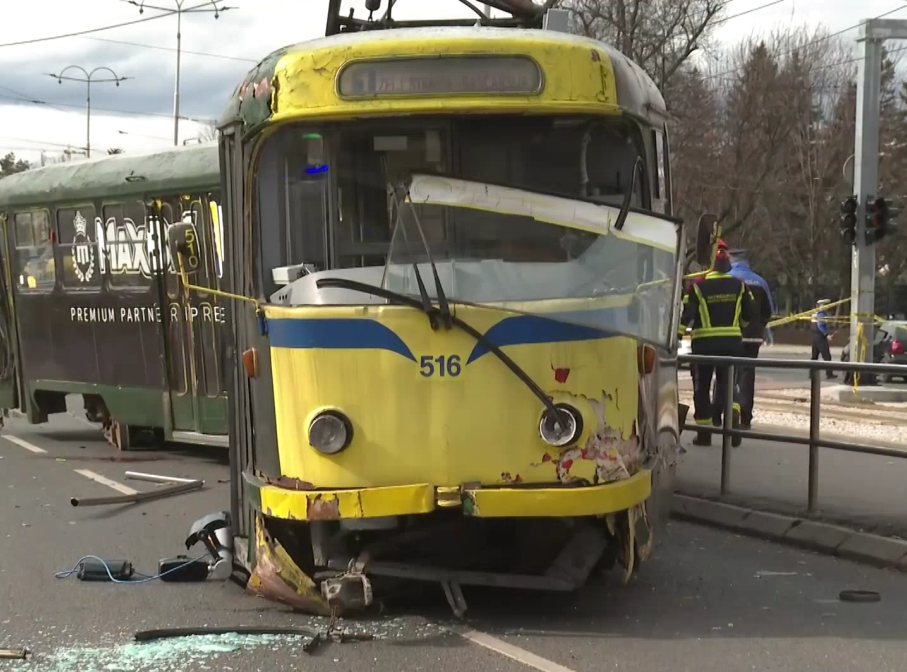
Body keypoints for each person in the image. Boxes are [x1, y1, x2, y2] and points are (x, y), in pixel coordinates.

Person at [681, 246, 755, 447]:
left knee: (702, 387)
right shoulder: (739, 285)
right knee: (728, 383)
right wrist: (739, 326)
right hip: (732, 343)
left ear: (709, 264)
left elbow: (687, 315)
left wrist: (677, 336)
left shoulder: (697, 286)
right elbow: (749, 314)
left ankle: (704, 435)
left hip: (704, 345)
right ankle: (733, 413)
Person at [728, 249, 774, 430]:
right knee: (747, 375)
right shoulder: (760, 281)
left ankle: (726, 412)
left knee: (728, 374)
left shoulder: (728, 278)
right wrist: (759, 326)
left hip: (731, 334)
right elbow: (768, 311)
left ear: (732, 259)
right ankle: (745, 417)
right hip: (753, 337)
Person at [811, 299, 838, 380]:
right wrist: (826, 335)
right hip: (820, 337)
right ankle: (829, 374)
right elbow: (820, 325)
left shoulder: (814, 313)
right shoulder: (822, 313)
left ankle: (811, 374)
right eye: (826, 305)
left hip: (814, 336)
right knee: (827, 356)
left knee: (814, 357)